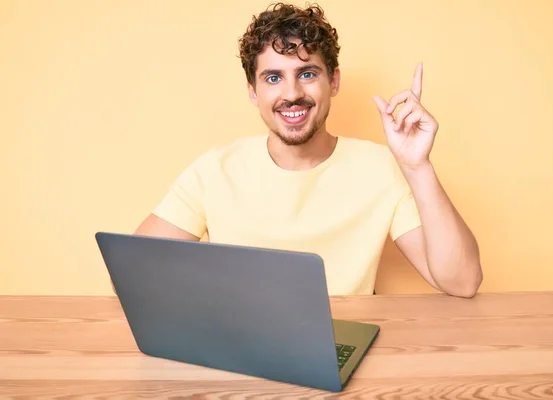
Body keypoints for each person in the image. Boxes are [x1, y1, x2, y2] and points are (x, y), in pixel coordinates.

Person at [133, 2, 483, 297]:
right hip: (243, 348)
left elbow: (463, 282)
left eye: (307, 74)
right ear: (253, 92)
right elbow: (135, 271)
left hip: (341, 345)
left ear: (334, 81)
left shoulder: (382, 168)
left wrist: (418, 166)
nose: (291, 94)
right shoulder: (214, 171)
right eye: (273, 78)